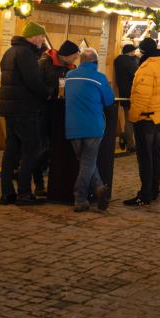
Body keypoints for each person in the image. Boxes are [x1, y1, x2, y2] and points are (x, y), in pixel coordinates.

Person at [0, 21, 50, 206]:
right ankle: (24, 193)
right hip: (25, 109)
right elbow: (33, 82)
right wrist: (47, 93)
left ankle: (7, 193)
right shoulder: (26, 54)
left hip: (10, 110)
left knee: (11, 152)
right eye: (41, 36)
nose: (43, 40)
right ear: (33, 37)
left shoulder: (10, 52)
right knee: (31, 150)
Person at [64, 48, 115, 212]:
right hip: (93, 126)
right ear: (95, 63)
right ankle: (80, 198)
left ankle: (100, 189)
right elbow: (109, 100)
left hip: (72, 126)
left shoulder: (70, 76)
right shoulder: (99, 78)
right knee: (87, 164)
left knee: (86, 163)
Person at [125, 38, 160, 206]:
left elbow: (142, 96)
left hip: (145, 117)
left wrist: (133, 116)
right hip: (157, 116)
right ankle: (154, 191)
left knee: (145, 157)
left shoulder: (147, 68)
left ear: (143, 52)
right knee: (154, 156)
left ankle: (145, 194)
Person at [35, 39, 81, 197]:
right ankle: (38, 182)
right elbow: (36, 85)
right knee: (42, 147)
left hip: (60, 112)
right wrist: (49, 94)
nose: (76, 58)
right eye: (75, 55)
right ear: (67, 55)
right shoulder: (45, 64)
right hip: (43, 111)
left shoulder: (71, 68)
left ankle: (53, 184)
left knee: (54, 148)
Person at [113, 43, 139, 152]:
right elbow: (138, 76)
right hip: (133, 94)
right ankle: (131, 144)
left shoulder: (117, 61)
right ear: (131, 52)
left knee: (127, 119)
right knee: (132, 120)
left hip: (123, 94)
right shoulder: (131, 62)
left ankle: (128, 141)